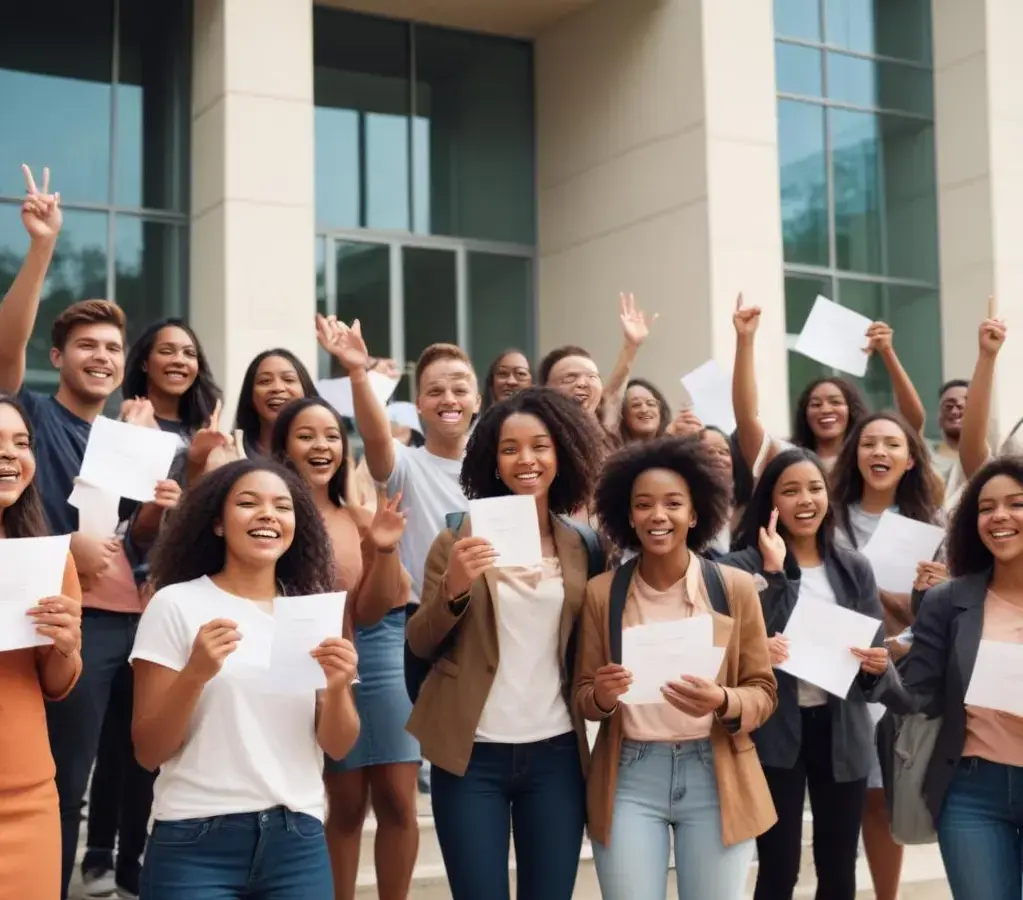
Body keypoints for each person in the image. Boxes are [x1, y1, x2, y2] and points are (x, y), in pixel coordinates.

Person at [0, 166, 177, 900]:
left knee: (133, 767)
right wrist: (42, 248)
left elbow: (132, 542)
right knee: (64, 773)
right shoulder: (30, 419)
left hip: (121, 618)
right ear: (59, 356)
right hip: (53, 623)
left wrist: (158, 496)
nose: (101, 357)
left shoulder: (133, 432)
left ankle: (120, 876)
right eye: (86, 346)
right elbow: (6, 350)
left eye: (112, 348)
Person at [406, 387, 604, 900]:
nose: (526, 460)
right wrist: (453, 586)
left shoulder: (583, 545)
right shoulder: (457, 540)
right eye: (510, 448)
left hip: (556, 752)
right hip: (472, 755)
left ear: (561, 453)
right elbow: (420, 641)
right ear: (492, 460)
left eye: (540, 446)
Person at [130, 459, 360, 898]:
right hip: (194, 840)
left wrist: (336, 689)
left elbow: (339, 745)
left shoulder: (312, 612)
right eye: (248, 503)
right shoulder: (176, 604)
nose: (267, 514)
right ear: (217, 523)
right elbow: (148, 750)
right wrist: (195, 674)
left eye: (283, 506)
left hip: (298, 840)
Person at [575, 435, 777, 900]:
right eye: (643, 505)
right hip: (629, 774)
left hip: (716, 770)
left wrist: (723, 699)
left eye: (672, 504)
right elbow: (584, 694)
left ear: (695, 513)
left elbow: (763, 691)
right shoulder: (602, 594)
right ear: (628, 516)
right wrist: (602, 695)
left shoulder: (735, 588)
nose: (658, 516)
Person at [81, 317, 222, 896]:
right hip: (121, 588)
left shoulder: (206, 429)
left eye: (189, 352)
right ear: (144, 361)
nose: (179, 361)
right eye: (166, 351)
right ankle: (98, 854)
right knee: (115, 732)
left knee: (153, 734)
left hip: (180, 594)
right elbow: (113, 511)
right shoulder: (127, 421)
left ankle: (136, 858)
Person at [730, 447, 897, 900]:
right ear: (771, 502)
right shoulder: (739, 567)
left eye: (815, 488)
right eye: (790, 491)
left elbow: (876, 665)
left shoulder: (853, 566)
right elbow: (734, 646)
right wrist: (772, 571)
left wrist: (874, 664)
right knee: (778, 869)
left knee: (839, 868)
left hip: (842, 730)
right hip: (774, 731)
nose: (805, 500)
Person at [270, 397, 418, 900]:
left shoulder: (359, 517)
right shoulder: (265, 515)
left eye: (332, 435)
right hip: (287, 666)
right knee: (346, 802)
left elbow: (374, 610)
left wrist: (384, 548)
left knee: (398, 799)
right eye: (306, 435)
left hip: (364, 653)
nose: (321, 446)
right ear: (284, 447)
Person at [883, 456, 1023, 899]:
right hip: (971, 790)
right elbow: (919, 694)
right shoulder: (948, 600)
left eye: (1015, 503)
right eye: (986, 508)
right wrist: (880, 672)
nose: (999, 516)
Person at [828, 410, 942, 900]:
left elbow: (942, 616)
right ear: (854, 454)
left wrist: (931, 591)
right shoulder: (828, 516)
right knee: (836, 799)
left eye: (892, 445)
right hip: (830, 666)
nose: (879, 453)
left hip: (893, 673)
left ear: (911, 459)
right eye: (869, 443)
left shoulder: (932, 527)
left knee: (879, 797)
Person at [0, 393, 83, 900]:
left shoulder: (48, 559)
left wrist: (65, 646)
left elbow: (56, 685)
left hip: (27, 798)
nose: (10, 454)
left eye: (21, 442)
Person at [730, 293, 925, 476]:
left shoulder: (868, 457)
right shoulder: (788, 457)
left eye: (835, 402)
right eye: (815, 404)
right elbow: (747, 420)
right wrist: (745, 339)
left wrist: (887, 352)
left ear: (852, 410)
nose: (825, 409)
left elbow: (913, 421)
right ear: (804, 414)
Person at [234, 348, 318, 458]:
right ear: (250, 395)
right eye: (265, 381)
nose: (277, 388)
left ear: (305, 389)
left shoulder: (322, 449)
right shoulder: (234, 452)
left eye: (288, 379)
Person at [930, 379, 968, 484]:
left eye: (963, 406)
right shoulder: (926, 455)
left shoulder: (993, 457)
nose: (955, 412)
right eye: (949, 406)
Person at [619, 378, 671, 443]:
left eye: (650, 404)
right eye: (636, 405)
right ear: (623, 414)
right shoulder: (614, 450)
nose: (644, 410)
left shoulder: (676, 447)